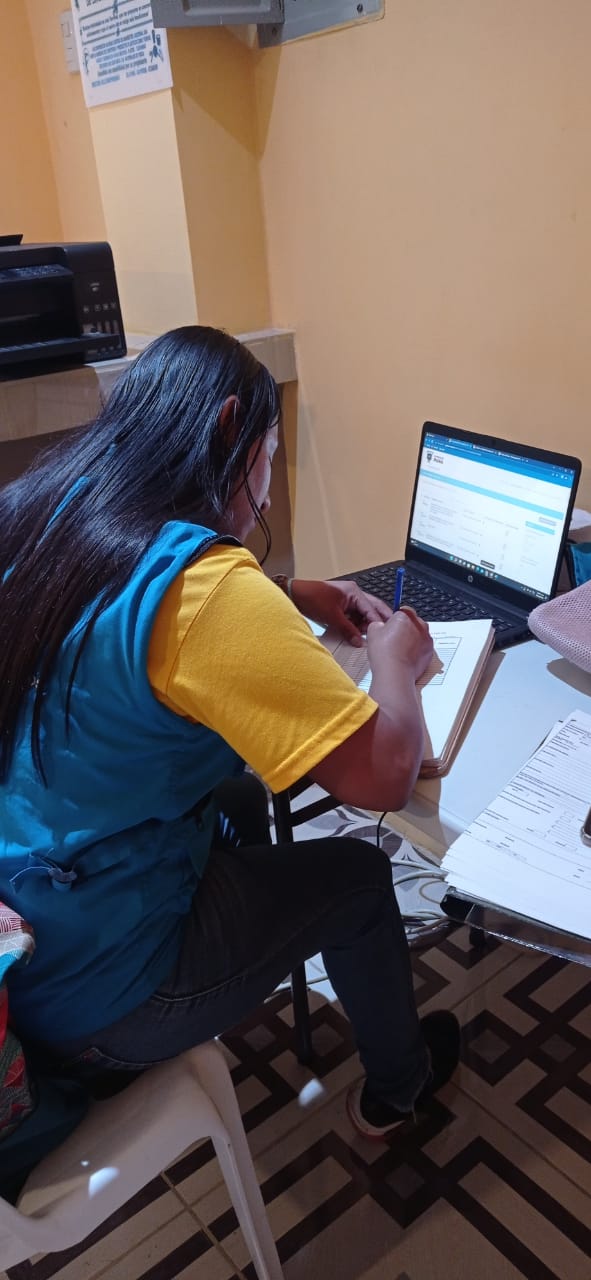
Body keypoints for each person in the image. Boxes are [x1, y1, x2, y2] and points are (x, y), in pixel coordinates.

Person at [0, 325, 459, 1149]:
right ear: (226, 427)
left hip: (30, 936)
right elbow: (386, 776)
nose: (269, 496)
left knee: (243, 794)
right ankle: (400, 1092)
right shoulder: (207, 588)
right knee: (359, 878)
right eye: (268, 455)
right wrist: (395, 659)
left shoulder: (41, 512)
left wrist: (290, 592)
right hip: (104, 999)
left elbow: (132, 602)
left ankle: (250, 944)